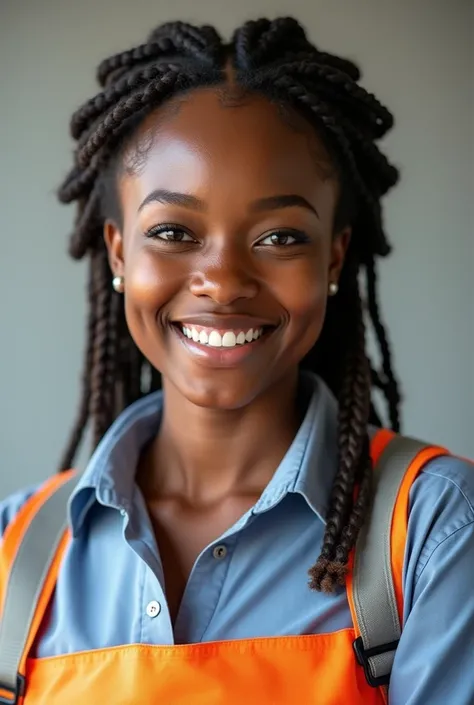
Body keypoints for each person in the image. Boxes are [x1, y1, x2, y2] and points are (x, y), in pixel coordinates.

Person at [0, 16, 472, 705]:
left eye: (280, 235)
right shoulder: (15, 554)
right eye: (172, 231)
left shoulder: (435, 530)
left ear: (333, 257)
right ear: (119, 252)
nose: (222, 281)